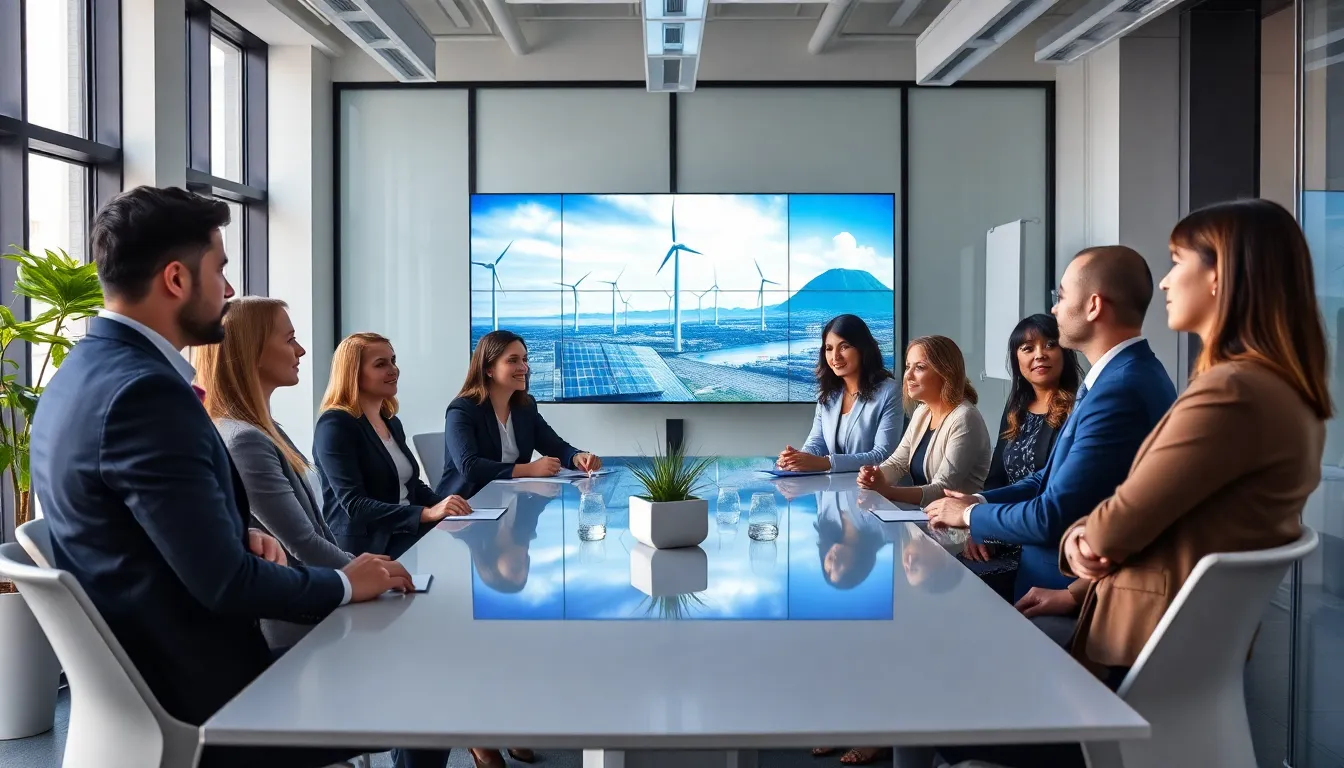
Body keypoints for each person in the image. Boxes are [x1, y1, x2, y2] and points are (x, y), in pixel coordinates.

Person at [29, 186, 411, 768]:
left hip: (154, 679)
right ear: (177, 280)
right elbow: (226, 587)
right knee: (429, 683)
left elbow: (126, 535)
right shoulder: (147, 393)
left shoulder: (79, 373)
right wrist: (343, 584)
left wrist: (230, 537)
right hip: (212, 694)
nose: (229, 292)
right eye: (222, 270)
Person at [1035, 199, 1328, 687]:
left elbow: (1115, 527)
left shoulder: (1230, 393)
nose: (1166, 282)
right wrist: (1080, 589)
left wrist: (1076, 542)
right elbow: (1192, 532)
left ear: (1220, 276)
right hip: (1183, 652)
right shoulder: (1282, 393)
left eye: (1178, 262)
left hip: (1133, 654)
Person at [925, 246, 1176, 609]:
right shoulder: (1118, 377)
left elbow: (1053, 515)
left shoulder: (1120, 389)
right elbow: (1048, 477)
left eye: (1061, 296)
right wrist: (978, 500)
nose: (1055, 309)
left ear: (1093, 306)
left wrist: (966, 516)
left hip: (1061, 584)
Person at [195, 296, 352, 650]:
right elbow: (304, 546)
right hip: (296, 631)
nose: (301, 351)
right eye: (289, 339)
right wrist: (369, 575)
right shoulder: (245, 440)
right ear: (252, 351)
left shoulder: (263, 430)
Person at [313, 332, 472, 559]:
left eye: (393, 361)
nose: (393, 370)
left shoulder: (390, 421)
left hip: (403, 535)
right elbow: (355, 505)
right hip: (366, 548)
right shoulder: (335, 425)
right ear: (353, 374)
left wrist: (448, 507)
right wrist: (425, 514)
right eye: (381, 364)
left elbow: (410, 484)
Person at [967, 314, 1083, 600]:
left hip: (1046, 541)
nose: (1039, 355)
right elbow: (995, 477)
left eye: (1050, 345)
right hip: (1004, 531)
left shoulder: (1077, 410)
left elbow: (1057, 493)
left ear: (1065, 353)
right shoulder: (1016, 408)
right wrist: (981, 531)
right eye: (1027, 348)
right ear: (1017, 359)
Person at [438, 330, 600, 499]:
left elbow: (554, 445)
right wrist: (529, 469)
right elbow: (470, 467)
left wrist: (577, 457)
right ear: (488, 369)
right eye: (513, 360)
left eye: (524, 359)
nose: (524, 368)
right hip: (465, 509)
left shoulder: (525, 407)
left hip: (513, 502)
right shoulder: (462, 410)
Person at [856, 335, 991, 507]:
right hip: (929, 519)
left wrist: (887, 491)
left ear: (945, 373)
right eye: (908, 367)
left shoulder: (965, 418)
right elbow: (898, 463)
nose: (908, 376)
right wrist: (875, 475)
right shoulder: (923, 411)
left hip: (960, 527)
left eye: (919, 367)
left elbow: (944, 489)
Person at [776, 314, 900, 474]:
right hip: (831, 492)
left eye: (844, 347)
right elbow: (816, 444)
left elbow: (883, 456)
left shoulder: (890, 391)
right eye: (829, 348)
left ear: (863, 348)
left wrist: (826, 463)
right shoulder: (828, 394)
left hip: (873, 491)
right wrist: (795, 458)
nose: (835, 357)